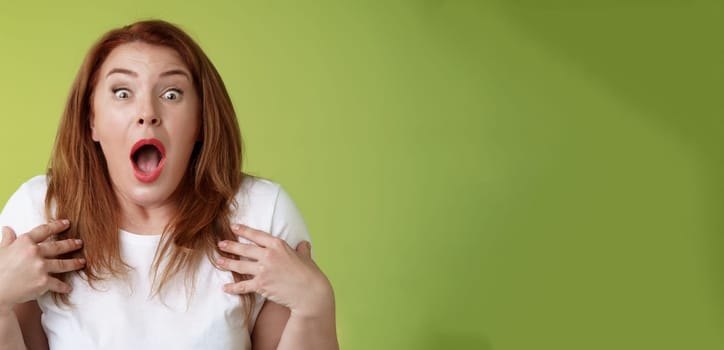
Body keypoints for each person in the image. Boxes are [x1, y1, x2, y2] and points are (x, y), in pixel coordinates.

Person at [0, 20, 338, 350]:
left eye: (172, 94)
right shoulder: (38, 211)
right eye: (122, 93)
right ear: (92, 122)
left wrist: (315, 306)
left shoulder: (261, 212)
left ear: (201, 122)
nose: (147, 113)